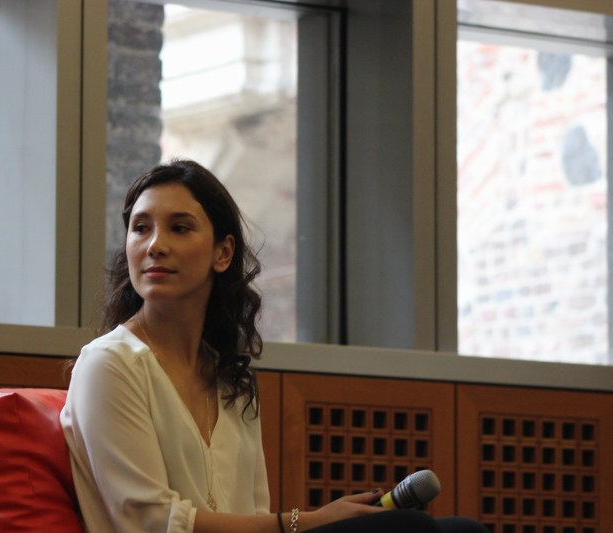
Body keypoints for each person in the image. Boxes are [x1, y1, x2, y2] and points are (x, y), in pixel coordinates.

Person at [60, 159, 489, 533]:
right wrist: (307, 521)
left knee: (462, 530)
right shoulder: (109, 364)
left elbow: (253, 514)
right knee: (407, 527)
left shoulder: (229, 376)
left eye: (180, 228)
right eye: (140, 228)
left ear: (223, 253)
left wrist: (307, 522)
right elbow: (150, 523)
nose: (155, 245)